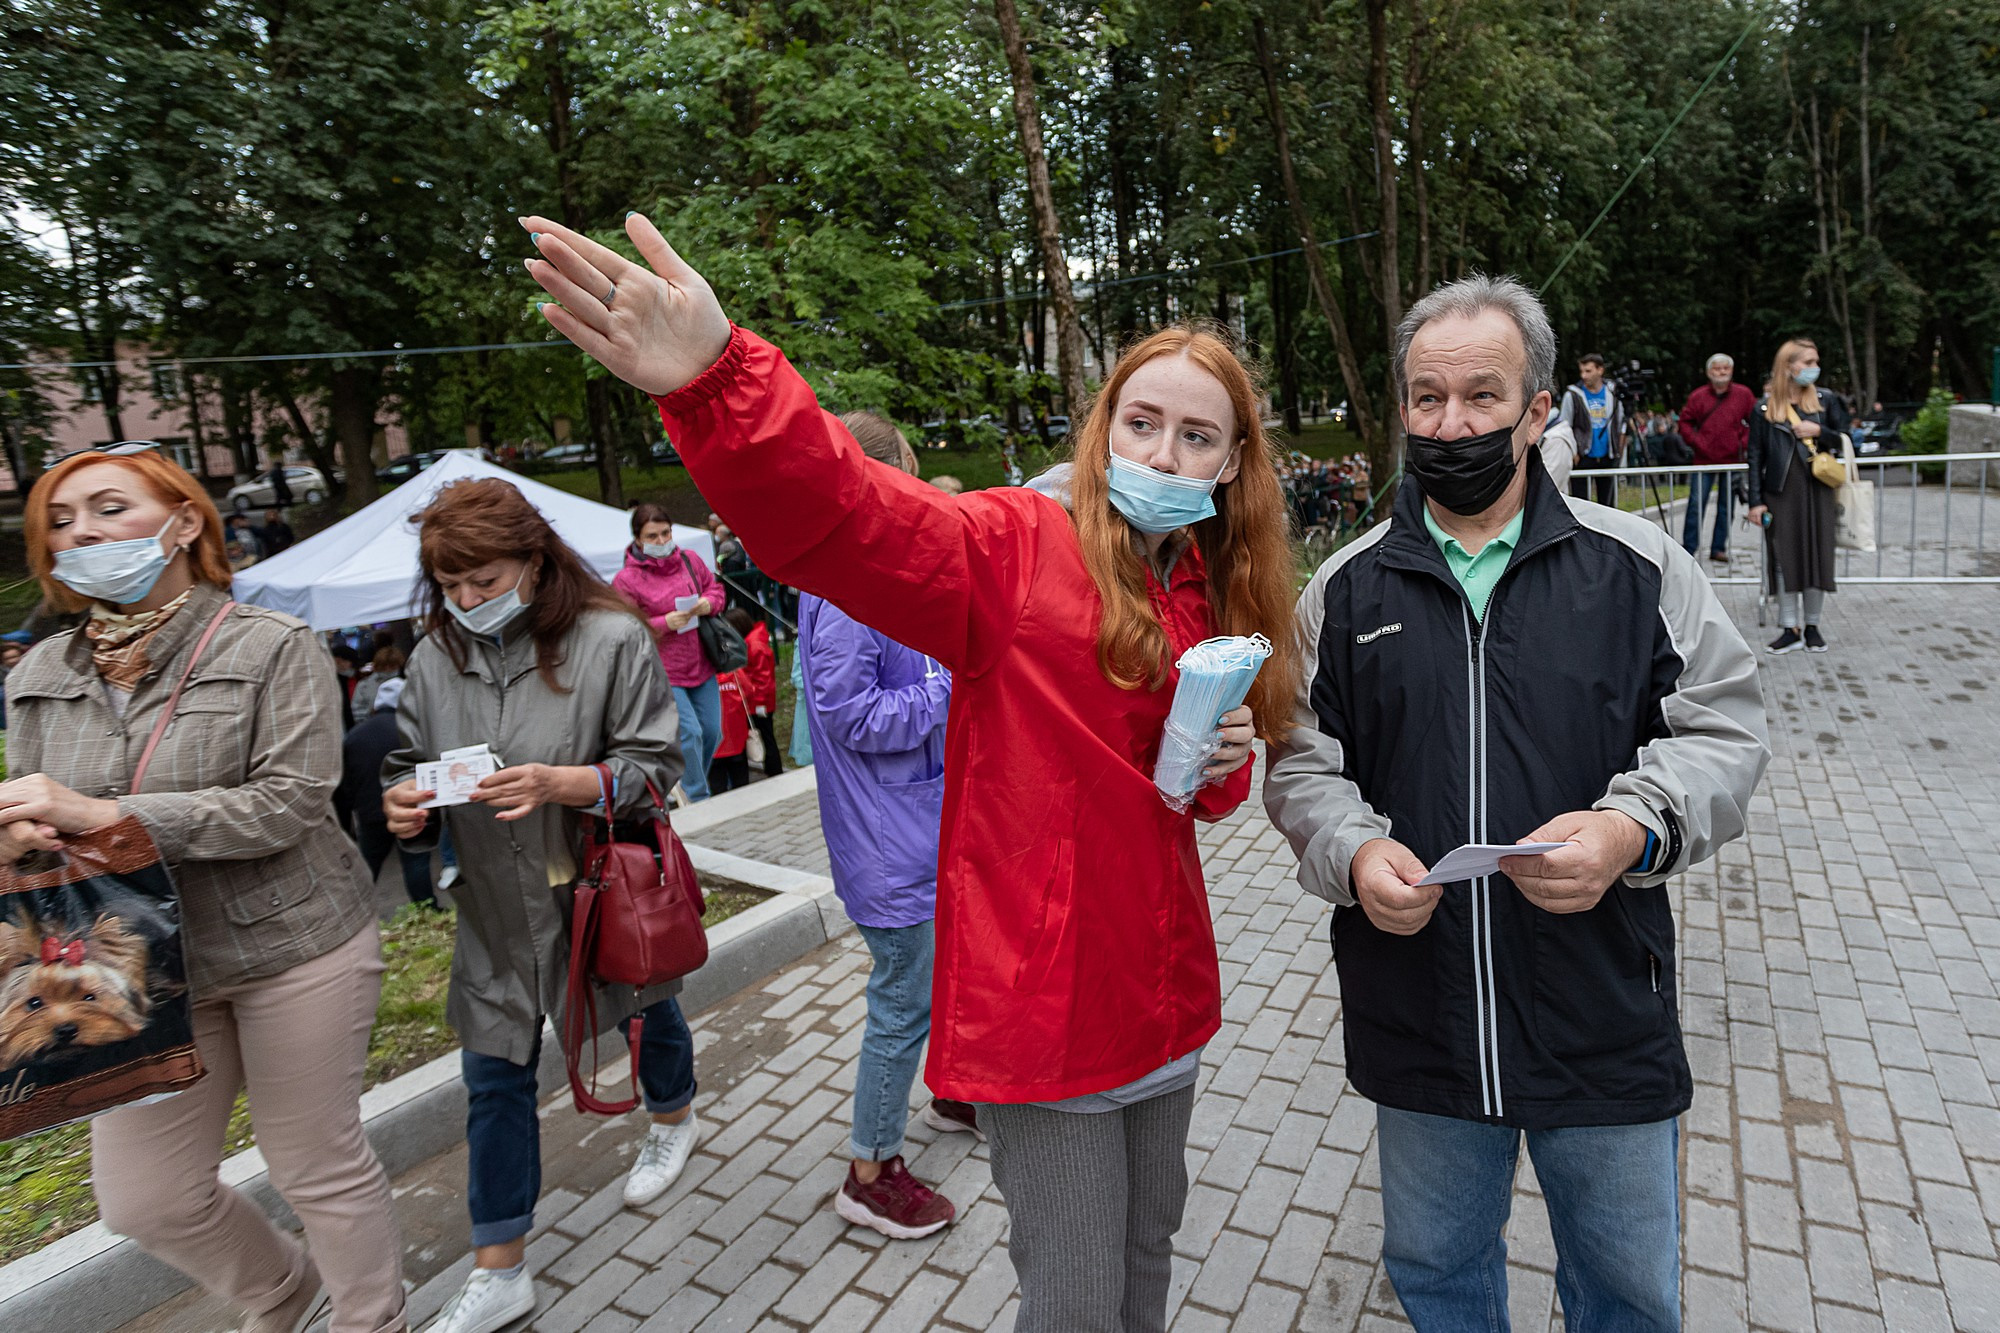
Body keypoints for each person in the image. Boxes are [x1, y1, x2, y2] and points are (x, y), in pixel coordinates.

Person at [521, 212, 1297, 1333]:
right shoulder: (1013, 548)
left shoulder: (1204, 592)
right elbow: (843, 514)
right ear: (1101, 431)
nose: (1164, 456)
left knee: (1145, 1255)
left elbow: (1194, 794)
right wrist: (715, 378)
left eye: (1194, 438)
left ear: (1230, 465)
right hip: (1048, 1007)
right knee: (1075, 1299)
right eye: (1141, 423)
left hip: (1162, 993)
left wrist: (1223, 757)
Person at [1263, 275, 1770, 1333]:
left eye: (1481, 397)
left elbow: (1723, 731)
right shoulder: (1345, 591)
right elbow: (1301, 763)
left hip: (1600, 1004)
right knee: (1437, 1274)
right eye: (1426, 398)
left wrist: (1630, 825)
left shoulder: (1635, 568)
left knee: (1627, 1290)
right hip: (1419, 1015)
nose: (1451, 425)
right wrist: (1354, 853)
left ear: (1537, 408)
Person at [0, 446, 405, 1333]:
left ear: (186, 522)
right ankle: (283, 1290)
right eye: (60, 522)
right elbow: (45, 819)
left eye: (110, 508)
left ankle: (371, 1319)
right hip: (138, 971)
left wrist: (106, 811)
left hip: (292, 946)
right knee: (143, 1197)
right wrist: (25, 833)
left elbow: (291, 802)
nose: (82, 533)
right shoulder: (34, 678)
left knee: (314, 1164)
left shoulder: (271, 644)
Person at [380, 478, 696, 1333]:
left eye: (483, 580)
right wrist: (403, 804)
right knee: (493, 1074)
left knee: (644, 1011)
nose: (467, 601)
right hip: (492, 904)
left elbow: (657, 764)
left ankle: (672, 1115)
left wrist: (573, 782)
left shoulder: (609, 637)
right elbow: (404, 762)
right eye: (450, 587)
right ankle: (502, 1263)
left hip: (597, 889)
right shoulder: (433, 657)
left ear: (532, 559)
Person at [796, 410, 978, 1240]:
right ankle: (869, 1171)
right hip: (887, 844)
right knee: (901, 1001)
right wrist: (949, 681)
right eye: (902, 471)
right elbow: (851, 714)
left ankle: (949, 1093)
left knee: (936, 980)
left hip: (917, 825)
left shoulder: (873, 563)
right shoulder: (843, 582)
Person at [611, 503, 726, 802]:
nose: (662, 542)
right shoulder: (627, 580)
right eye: (653, 536)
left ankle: (685, 782)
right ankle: (698, 796)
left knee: (713, 732)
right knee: (690, 734)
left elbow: (717, 591)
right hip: (663, 669)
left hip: (701, 661)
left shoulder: (690, 560)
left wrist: (707, 604)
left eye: (666, 533)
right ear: (638, 540)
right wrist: (664, 623)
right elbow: (624, 627)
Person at [1747, 338, 1849, 654]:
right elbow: (1755, 456)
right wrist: (1755, 500)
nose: (1813, 369)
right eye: (1807, 362)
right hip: (1780, 491)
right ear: (1788, 366)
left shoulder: (1827, 400)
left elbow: (1846, 438)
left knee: (1818, 554)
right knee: (1783, 557)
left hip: (1819, 489)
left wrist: (1820, 432)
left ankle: (1813, 626)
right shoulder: (1764, 408)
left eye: (1815, 362)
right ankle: (1789, 627)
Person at [340, 677, 437, 908]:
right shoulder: (417, 733)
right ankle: (426, 910)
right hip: (412, 808)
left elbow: (345, 784)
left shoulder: (355, 735)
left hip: (370, 812)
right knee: (416, 862)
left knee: (366, 864)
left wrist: (349, 819)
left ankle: (353, 909)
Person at [1678, 354, 1757, 562]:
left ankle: (1718, 548)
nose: (1721, 372)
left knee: (1726, 506)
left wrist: (1743, 443)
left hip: (1732, 461)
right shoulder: (1698, 396)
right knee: (1696, 504)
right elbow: (1684, 423)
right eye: (1717, 369)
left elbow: (1755, 421)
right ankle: (1688, 548)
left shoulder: (1744, 395)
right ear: (1708, 372)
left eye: (1725, 368)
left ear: (1731, 371)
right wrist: (1696, 442)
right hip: (1703, 460)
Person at [1558, 352, 1625, 505]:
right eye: (1582, 371)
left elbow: (1621, 421)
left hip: (1607, 455)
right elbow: (1564, 424)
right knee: (1581, 503)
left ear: (1600, 370)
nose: (1584, 375)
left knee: (1608, 504)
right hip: (1583, 455)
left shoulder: (1613, 392)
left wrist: (1619, 448)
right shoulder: (1573, 394)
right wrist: (1573, 452)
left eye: (1588, 371)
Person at [728, 605, 783, 778]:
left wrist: (758, 704)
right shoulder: (754, 642)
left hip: (759, 703)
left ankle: (774, 771)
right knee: (766, 736)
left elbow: (763, 679)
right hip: (759, 702)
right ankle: (772, 770)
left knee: (766, 737)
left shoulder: (754, 646)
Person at [707, 666, 752, 793]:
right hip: (736, 740)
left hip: (713, 745)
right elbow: (748, 691)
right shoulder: (735, 673)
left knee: (718, 786)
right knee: (741, 784)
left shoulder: (703, 678)